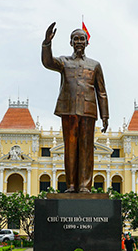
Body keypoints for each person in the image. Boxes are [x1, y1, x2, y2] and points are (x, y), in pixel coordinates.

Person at [42, 22, 109, 193]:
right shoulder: (64, 62)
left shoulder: (95, 65)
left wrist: (105, 116)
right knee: (70, 148)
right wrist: (47, 43)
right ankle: (71, 185)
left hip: (88, 111)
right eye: (75, 39)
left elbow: (102, 92)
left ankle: (85, 186)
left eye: (82, 39)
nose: (79, 42)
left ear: (87, 43)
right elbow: (47, 62)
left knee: (86, 149)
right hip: (69, 110)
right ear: (71, 43)